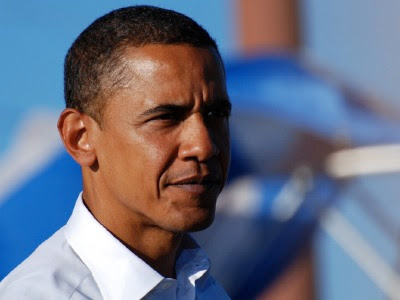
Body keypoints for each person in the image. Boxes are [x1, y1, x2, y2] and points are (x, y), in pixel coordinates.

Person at [0, 5, 231, 299]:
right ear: (80, 137)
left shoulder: (203, 287)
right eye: (166, 118)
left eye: (215, 114)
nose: (204, 145)